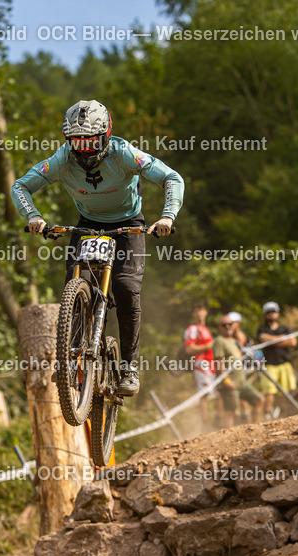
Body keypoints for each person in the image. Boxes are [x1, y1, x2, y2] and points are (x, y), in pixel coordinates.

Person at [12, 99, 185, 396]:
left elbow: (171, 177)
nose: (84, 150)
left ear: (106, 135)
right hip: (88, 224)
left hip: (128, 225)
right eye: (76, 142)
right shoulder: (61, 159)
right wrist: (34, 216)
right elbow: (20, 186)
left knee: (125, 287)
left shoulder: (124, 153)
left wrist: (167, 216)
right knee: (76, 285)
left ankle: (129, 367)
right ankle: (72, 360)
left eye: (91, 142)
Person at [213, 315, 263, 427]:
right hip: (230, 383)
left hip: (241, 382)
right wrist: (226, 381)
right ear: (219, 327)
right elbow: (218, 362)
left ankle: (255, 429)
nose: (227, 327)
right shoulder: (219, 341)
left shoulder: (233, 341)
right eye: (224, 325)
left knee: (259, 400)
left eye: (229, 324)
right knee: (230, 412)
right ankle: (225, 441)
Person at [255, 302, 297, 421]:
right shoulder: (261, 329)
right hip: (269, 364)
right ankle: (267, 413)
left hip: (285, 363)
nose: (271, 315)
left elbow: (293, 342)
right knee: (269, 391)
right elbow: (263, 339)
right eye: (268, 312)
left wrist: (271, 340)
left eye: (273, 312)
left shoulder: (285, 328)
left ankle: (279, 412)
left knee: (285, 391)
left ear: (278, 313)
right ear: (265, 314)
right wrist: (283, 339)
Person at [183, 302, 216, 423]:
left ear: (206, 312)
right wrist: (207, 346)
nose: (200, 314)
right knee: (204, 394)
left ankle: (215, 420)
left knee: (214, 392)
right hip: (201, 364)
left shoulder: (206, 329)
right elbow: (189, 348)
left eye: (202, 310)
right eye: (197, 311)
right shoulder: (192, 329)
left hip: (211, 364)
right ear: (193, 314)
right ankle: (204, 422)